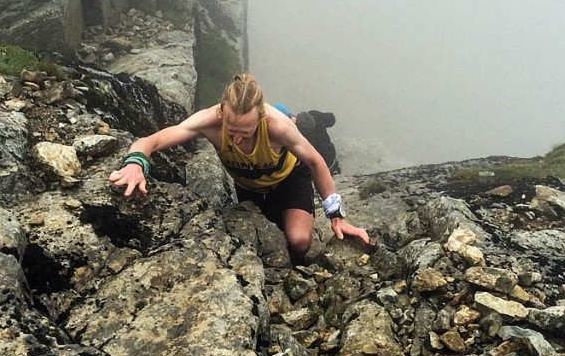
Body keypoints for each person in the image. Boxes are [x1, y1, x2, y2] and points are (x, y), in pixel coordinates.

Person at [108, 73, 369, 257]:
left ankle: (311, 120)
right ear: (222, 112)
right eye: (231, 129)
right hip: (249, 185)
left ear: (262, 117)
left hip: (289, 177)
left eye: (246, 131)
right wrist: (135, 163)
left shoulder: (277, 126)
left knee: (299, 243)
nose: (237, 138)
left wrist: (336, 215)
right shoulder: (209, 122)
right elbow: (151, 140)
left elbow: (314, 160)